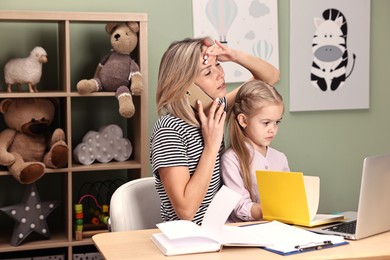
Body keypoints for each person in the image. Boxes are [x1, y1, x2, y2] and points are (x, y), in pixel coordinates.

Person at [149, 37, 280, 225]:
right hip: (189, 240)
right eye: (208, 72)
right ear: (185, 87)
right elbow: (186, 211)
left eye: (218, 64)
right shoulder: (169, 130)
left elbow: (270, 78)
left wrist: (235, 55)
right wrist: (211, 146)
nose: (220, 74)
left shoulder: (215, 111)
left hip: (222, 231)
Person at [221, 79, 290, 223]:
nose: (273, 129)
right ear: (243, 121)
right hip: (241, 233)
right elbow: (240, 206)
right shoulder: (232, 159)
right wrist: (270, 210)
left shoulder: (280, 158)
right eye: (266, 123)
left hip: (275, 230)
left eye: (277, 122)